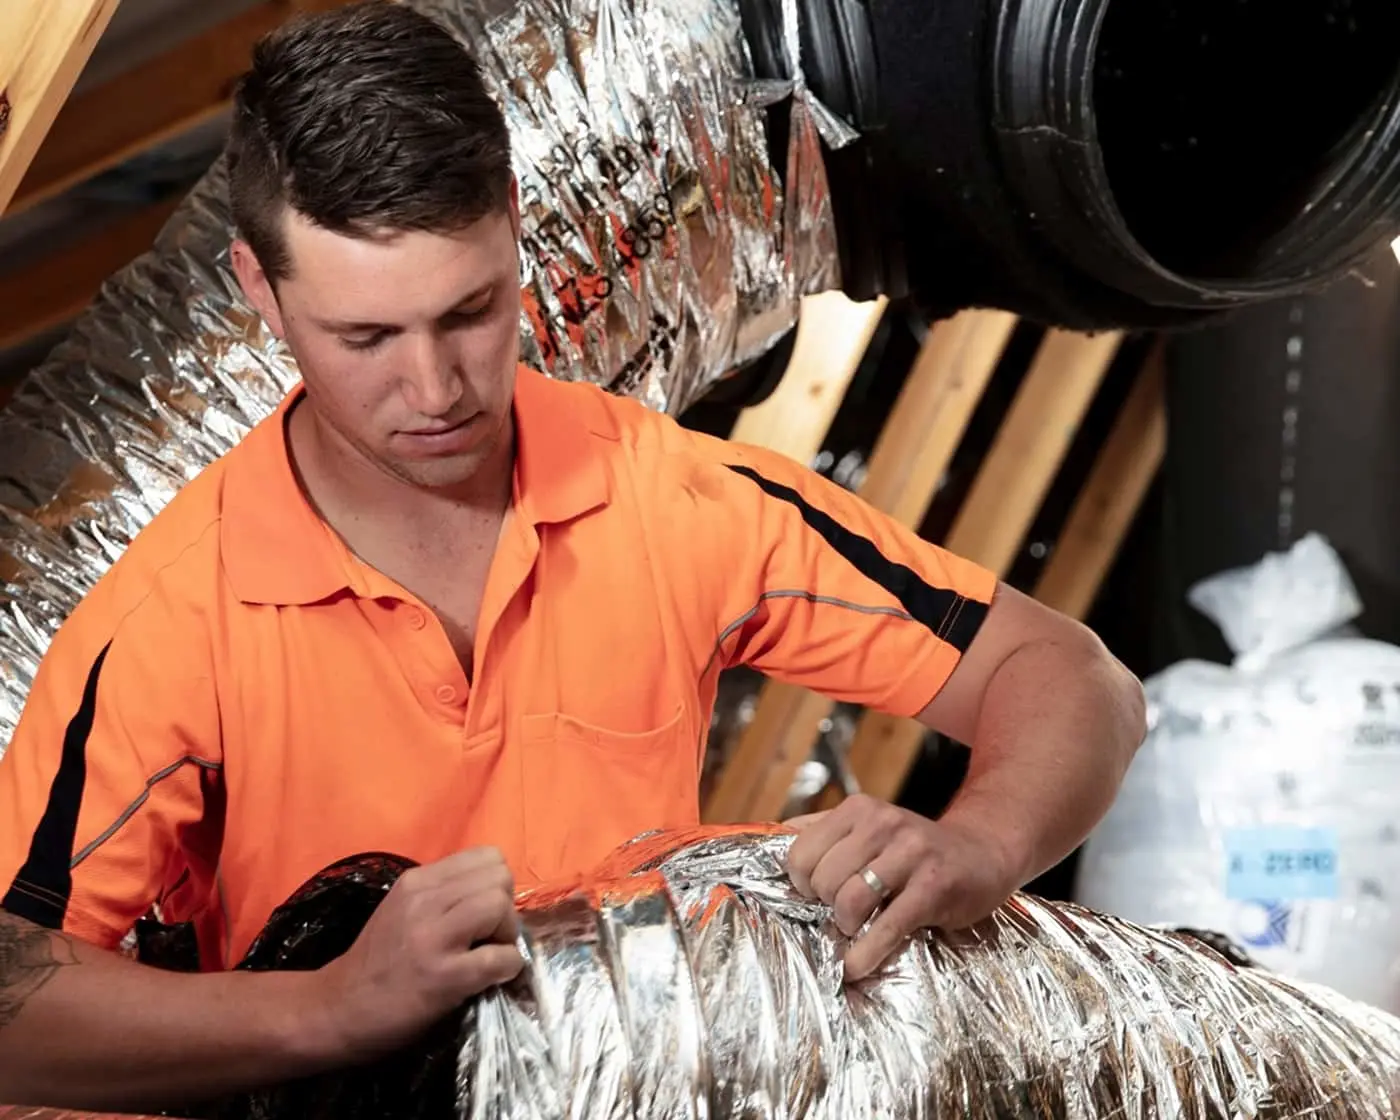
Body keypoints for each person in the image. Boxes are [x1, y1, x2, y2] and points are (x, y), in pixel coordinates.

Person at [0, 1, 1145, 1112]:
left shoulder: (671, 497)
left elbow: (1067, 677)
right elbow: (12, 1004)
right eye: (367, 337)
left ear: (509, 218)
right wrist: (336, 1007)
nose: (435, 388)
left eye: (470, 311)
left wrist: (977, 844)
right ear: (260, 289)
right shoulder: (167, 619)